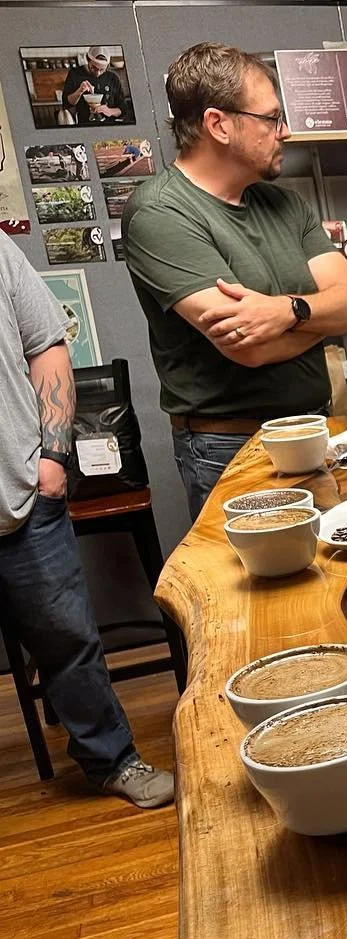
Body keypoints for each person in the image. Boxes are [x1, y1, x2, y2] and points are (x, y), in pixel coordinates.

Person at [123, 42, 347, 519]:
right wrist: (322, 316)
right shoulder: (161, 212)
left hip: (313, 430)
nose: (286, 132)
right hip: (230, 445)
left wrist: (286, 312)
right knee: (260, 590)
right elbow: (249, 347)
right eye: (271, 119)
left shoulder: (285, 204)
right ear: (219, 124)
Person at [0, 232, 173, 807]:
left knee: (68, 638)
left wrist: (53, 455)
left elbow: (46, 342)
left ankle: (112, 760)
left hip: (22, 497)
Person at [62, 47, 128, 124]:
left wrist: (110, 111)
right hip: (84, 126)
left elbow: (123, 109)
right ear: (88, 59)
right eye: (94, 68)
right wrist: (79, 91)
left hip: (109, 126)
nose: (98, 73)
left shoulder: (113, 78)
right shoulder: (75, 74)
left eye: (102, 69)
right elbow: (68, 103)